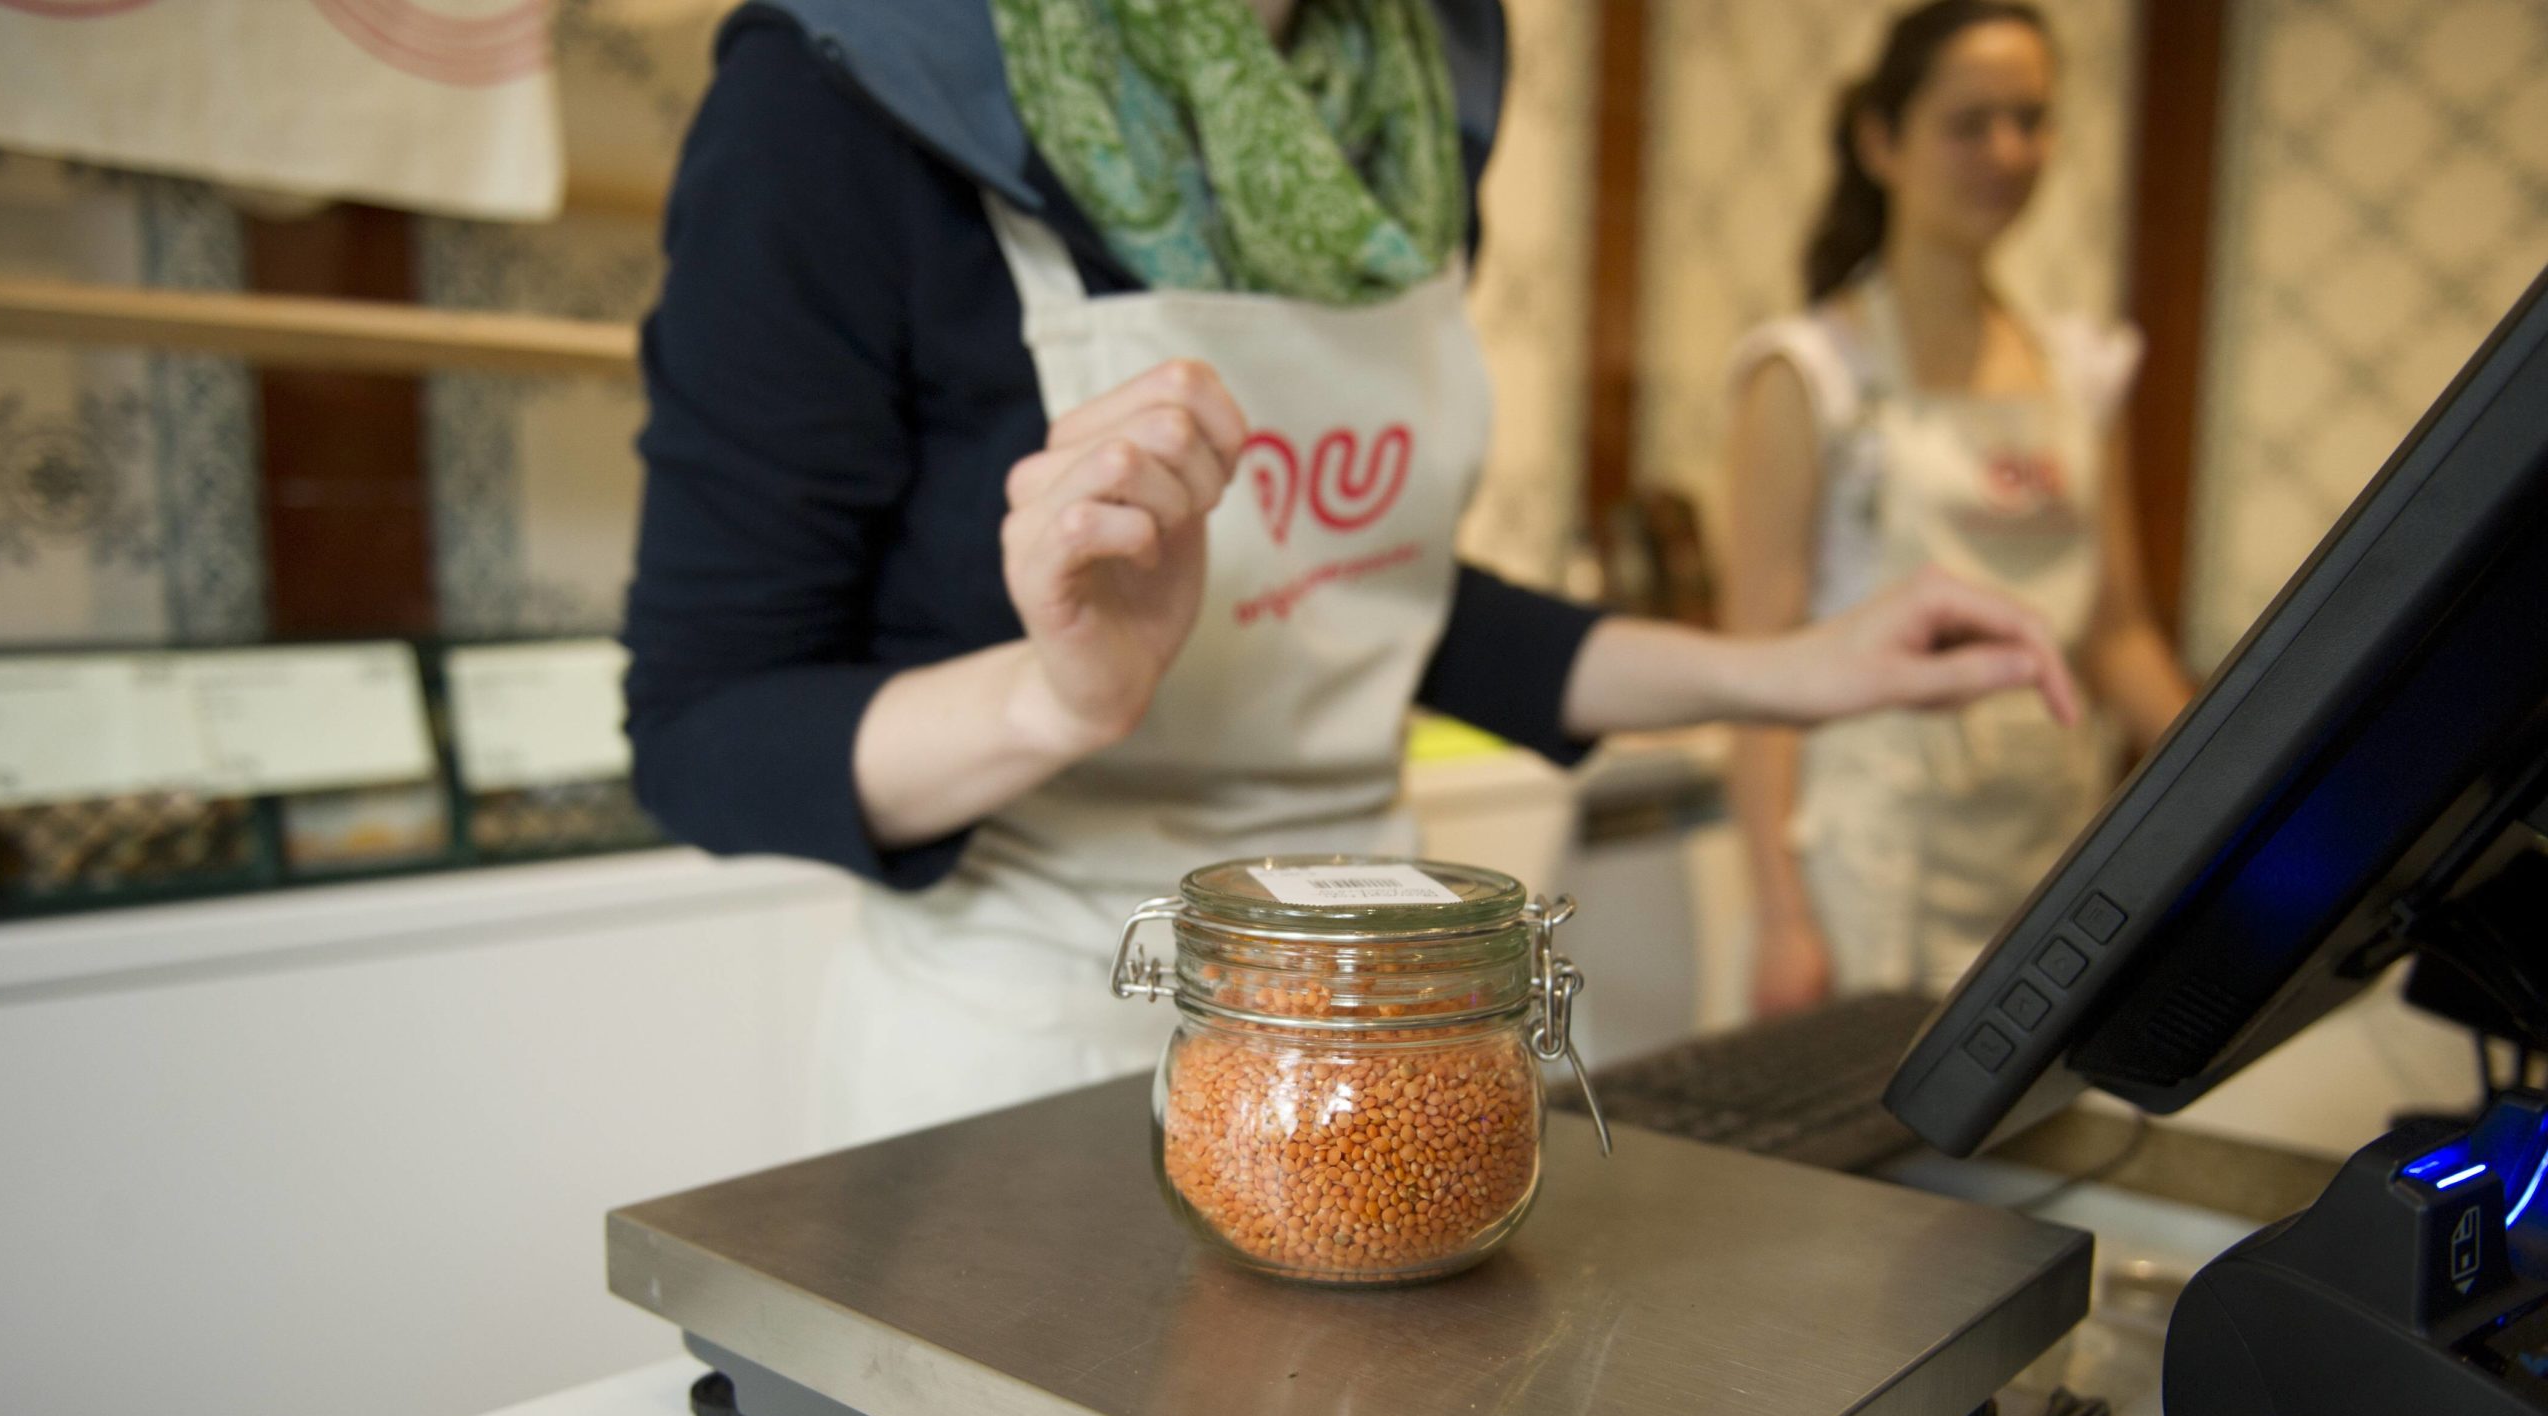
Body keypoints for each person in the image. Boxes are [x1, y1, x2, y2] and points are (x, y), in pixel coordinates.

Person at [625, 0, 2078, 1149]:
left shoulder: (1417, 86)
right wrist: (1057, 697)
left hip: (1378, 1019)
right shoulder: (844, 90)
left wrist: (1782, 671)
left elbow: (1375, 596)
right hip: (1040, 1039)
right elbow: (704, 732)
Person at [1720, 0, 2194, 1017]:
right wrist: (1780, 914)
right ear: (1880, 140)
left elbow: (2115, 633)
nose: (2008, 151)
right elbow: (1757, 663)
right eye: (1969, 123)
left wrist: (2240, 786)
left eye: (2030, 119)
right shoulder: (1809, 375)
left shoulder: (2077, 371)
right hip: (1871, 864)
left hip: (2046, 850)